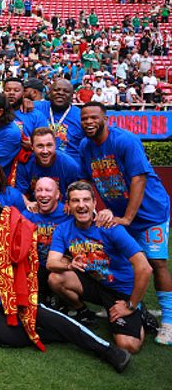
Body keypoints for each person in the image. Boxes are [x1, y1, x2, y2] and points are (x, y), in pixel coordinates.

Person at [0, 222, 132, 373]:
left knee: (43, 316)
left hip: (2, 294)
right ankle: (62, 334)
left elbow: (0, 239)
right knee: (4, 337)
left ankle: (109, 351)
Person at [79, 102, 172, 345]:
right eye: (84, 118)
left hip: (150, 212)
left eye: (94, 117)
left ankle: (169, 322)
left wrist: (128, 219)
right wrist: (94, 210)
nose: (89, 122)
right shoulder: (84, 146)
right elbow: (88, 182)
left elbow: (138, 179)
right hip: (120, 213)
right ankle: (131, 306)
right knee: (118, 259)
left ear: (106, 119)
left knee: (156, 263)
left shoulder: (125, 140)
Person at [47, 182, 153, 354]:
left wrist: (130, 305)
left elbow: (145, 268)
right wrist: (69, 265)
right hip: (95, 282)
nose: (81, 205)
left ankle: (139, 311)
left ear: (94, 204)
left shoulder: (110, 228)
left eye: (86, 200)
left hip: (120, 290)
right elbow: (51, 263)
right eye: (75, 201)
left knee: (128, 346)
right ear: (68, 205)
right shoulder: (63, 230)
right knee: (55, 278)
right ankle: (82, 311)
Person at [15, 128, 82, 204]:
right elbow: (19, 193)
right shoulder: (25, 164)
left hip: (62, 211)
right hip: (35, 210)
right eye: (40, 146)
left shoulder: (69, 165)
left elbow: (80, 194)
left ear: (55, 145)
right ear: (32, 147)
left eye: (49, 145)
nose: (45, 151)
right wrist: (27, 203)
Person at [35, 78, 85, 161]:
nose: (61, 93)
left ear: (72, 95)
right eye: (56, 90)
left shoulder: (81, 115)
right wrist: (24, 102)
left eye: (66, 91)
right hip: (40, 164)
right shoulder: (36, 107)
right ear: (49, 92)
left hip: (70, 167)